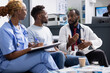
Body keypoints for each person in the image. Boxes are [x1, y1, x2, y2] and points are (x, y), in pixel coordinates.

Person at [0, 0, 58, 73]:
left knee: (42, 68)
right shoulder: (5, 29)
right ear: (18, 11)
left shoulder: (22, 28)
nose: (26, 12)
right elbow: (9, 56)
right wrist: (29, 49)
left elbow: (25, 45)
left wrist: (34, 46)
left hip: (22, 59)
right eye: (25, 10)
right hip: (8, 64)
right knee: (43, 54)